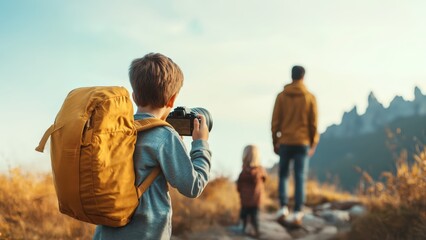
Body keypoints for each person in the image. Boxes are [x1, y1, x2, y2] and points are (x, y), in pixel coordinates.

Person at [93, 53, 212, 240]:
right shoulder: (164, 136)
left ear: (134, 96)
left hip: (107, 233)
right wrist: (200, 144)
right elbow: (193, 186)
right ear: (172, 101)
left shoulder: (117, 130)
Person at [271, 65, 319, 225]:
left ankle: (283, 207)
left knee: (283, 175)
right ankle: (298, 210)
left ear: (291, 76)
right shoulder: (310, 97)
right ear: (303, 77)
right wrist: (313, 143)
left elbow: (275, 122)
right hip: (303, 142)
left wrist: (275, 141)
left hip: (285, 142)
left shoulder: (281, 96)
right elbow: (313, 124)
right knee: (300, 176)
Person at [237, 145, 267, 237]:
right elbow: (265, 180)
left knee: (244, 217)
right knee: (255, 219)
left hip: (245, 201)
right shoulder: (260, 171)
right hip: (256, 201)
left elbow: (238, 186)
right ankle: (256, 232)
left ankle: (243, 230)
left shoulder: (243, 173)